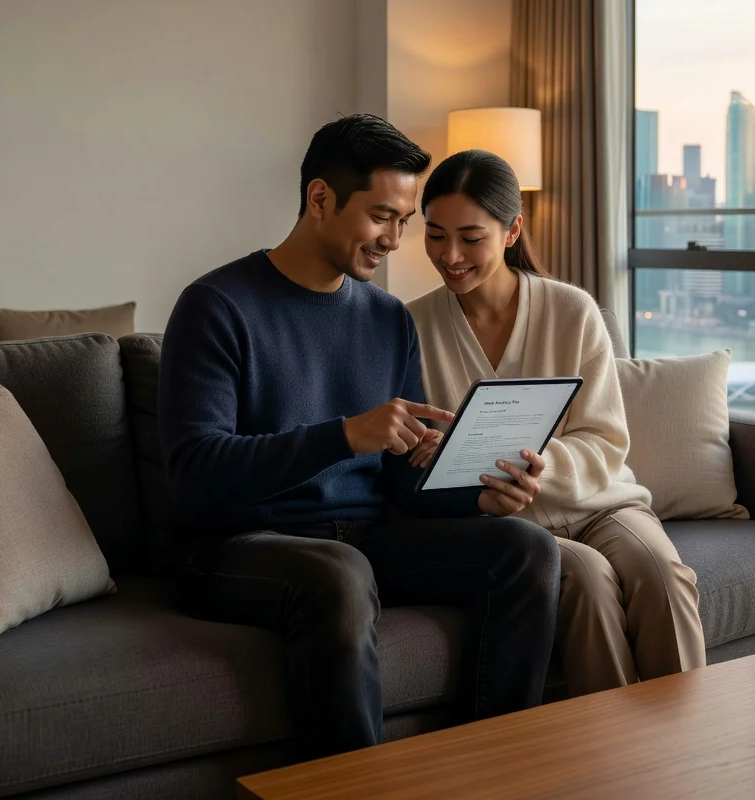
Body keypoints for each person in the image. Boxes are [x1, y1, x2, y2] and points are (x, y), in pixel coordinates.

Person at [158, 116, 560, 760]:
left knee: (525, 549)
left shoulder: (387, 320)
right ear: (321, 199)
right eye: (382, 216)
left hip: (365, 538)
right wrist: (344, 436)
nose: (397, 241)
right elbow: (196, 473)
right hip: (235, 546)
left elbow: (399, 480)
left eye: (405, 221)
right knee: (338, 572)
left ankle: (493, 773)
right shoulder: (216, 305)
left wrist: (475, 495)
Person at [406, 149, 706, 698]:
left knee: (663, 576)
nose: (449, 255)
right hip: (509, 529)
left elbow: (605, 439)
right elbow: (419, 454)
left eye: (471, 238)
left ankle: (685, 751)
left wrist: (540, 468)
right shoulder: (411, 326)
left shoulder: (573, 311)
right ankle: (608, 762)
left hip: (603, 504)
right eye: (434, 235)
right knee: (587, 583)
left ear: (512, 229)